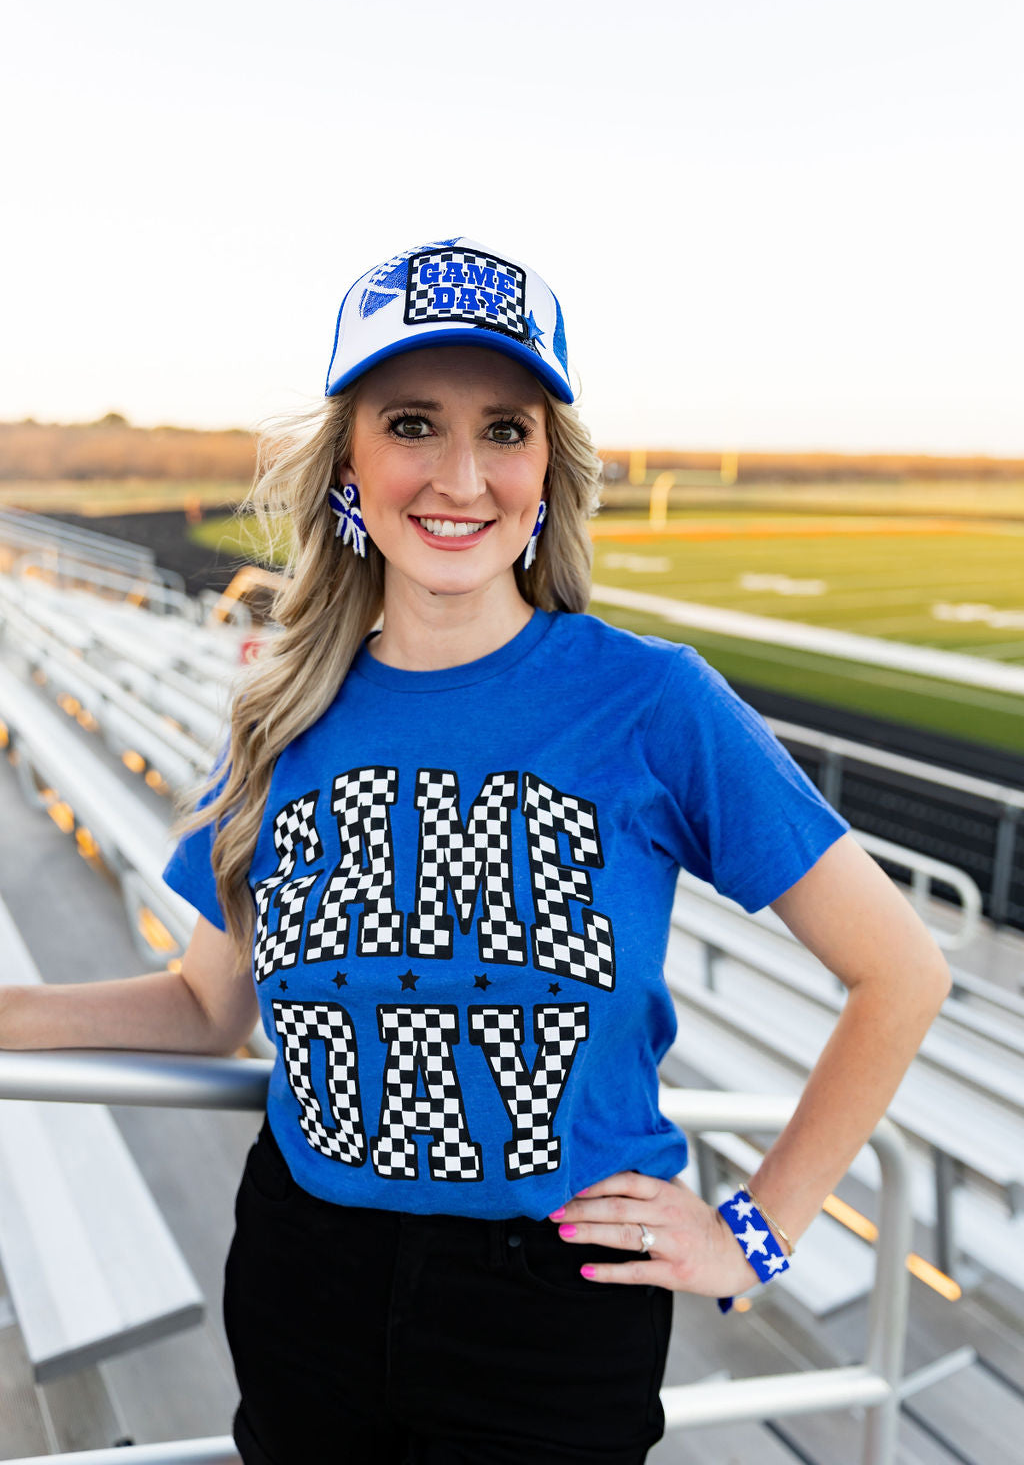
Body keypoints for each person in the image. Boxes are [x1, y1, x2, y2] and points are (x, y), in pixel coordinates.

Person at [0, 237, 951, 1464]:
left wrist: (755, 1231)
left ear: (549, 469)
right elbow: (204, 1009)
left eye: (505, 428)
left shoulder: (653, 701)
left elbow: (903, 972)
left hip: (553, 1309)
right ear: (348, 459)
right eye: (412, 422)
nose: (461, 473)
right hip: (306, 1276)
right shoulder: (279, 716)